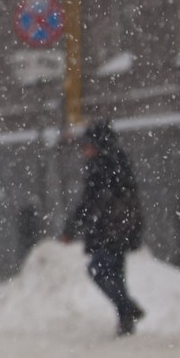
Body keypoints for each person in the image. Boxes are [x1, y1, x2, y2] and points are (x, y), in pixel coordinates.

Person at [61, 119, 146, 335]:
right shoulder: (117, 163)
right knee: (115, 275)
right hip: (120, 230)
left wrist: (71, 228)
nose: (84, 150)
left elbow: (89, 202)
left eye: (87, 145)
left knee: (98, 270)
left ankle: (127, 308)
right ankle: (125, 320)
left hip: (109, 231)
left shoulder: (102, 167)